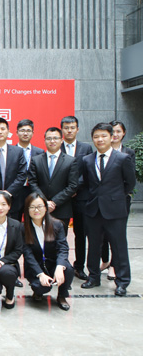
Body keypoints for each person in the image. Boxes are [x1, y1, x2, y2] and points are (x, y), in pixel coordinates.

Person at [81, 123, 136, 297]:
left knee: (119, 246)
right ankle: (93, 277)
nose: (100, 139)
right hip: (94, 209)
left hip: (115, 210)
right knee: (93, 245)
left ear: (111, 137)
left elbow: (130, 183)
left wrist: (116, 197)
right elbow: (88, 183)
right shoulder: (87, 160)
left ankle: (122, 281)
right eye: (96, 136)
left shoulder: (122, 158)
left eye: (103, 136)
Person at [22, 193, 73, 311]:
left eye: (40, 206)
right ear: (27, 210)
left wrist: (60, 266)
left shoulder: (57, 225)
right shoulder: (23, 228)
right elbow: (28, 254)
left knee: (68, 269)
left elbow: (63, 248)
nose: (36, 210)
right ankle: (38, 292)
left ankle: (62, 295)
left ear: (46, 208)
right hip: (36, 267)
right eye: (32, 207)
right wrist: (40, 274)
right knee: (41, 287)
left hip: (53, 263)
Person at [102, 120, 136, 279]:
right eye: (112, 131)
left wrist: (120, 195)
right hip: (102, 201)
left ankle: (114, 265)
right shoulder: (101, 150)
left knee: (117, 234)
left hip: (120, 200)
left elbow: (130, 180)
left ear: (124, 133)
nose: (115, 134)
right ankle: (105, 260)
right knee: (102, 234)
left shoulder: (128, 153)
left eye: (118, 131)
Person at [60, 115, 93, 281]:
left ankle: (79, 267)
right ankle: (61, 265)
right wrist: (67, 190)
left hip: (81, 197)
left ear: (77, 129)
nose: (69, 130)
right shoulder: (56, 146)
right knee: (61, 234)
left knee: (81, 233)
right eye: (66, 128)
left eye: (72, 127)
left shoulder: (86, 148)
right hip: (63, 198)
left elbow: (89, 171)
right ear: (62, 130)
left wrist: (74, 187)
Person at [28, 127, 79, 234]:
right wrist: (44, 202)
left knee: (60, 240)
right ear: (44, 140)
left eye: (55, 138)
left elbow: (72, 186)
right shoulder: (36, 160)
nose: (52, 141)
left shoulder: (70, 161)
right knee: (40, 239)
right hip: (39, 208)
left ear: (61, 140)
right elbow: (32, 182)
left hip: (61, 208)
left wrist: (54, 202)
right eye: (49, 138)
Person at [14, 119, 45, 220]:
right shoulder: (11, 151)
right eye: (22, 130)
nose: (25, 133)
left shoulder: (40, 152)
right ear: (17, 132)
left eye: (28, 131)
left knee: (33, 220)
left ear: (33, 133)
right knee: (15, 220)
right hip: (16, 192)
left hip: (33, 191)